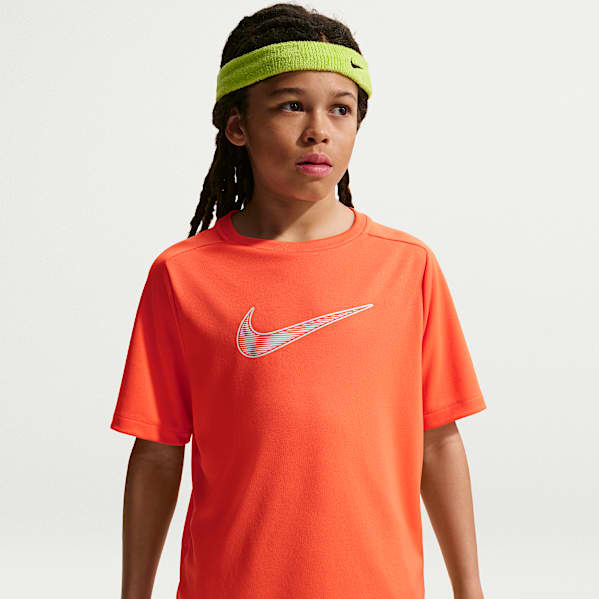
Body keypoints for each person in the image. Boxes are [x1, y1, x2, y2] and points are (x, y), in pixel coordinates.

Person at [109, 3, 487, 598]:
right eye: (291, 105)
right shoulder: (183, 276)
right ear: (237, 126)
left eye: (341, 108)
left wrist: (471, 592)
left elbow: (438, 443)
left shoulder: (407, 266)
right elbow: (156, 454)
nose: (319, 130)